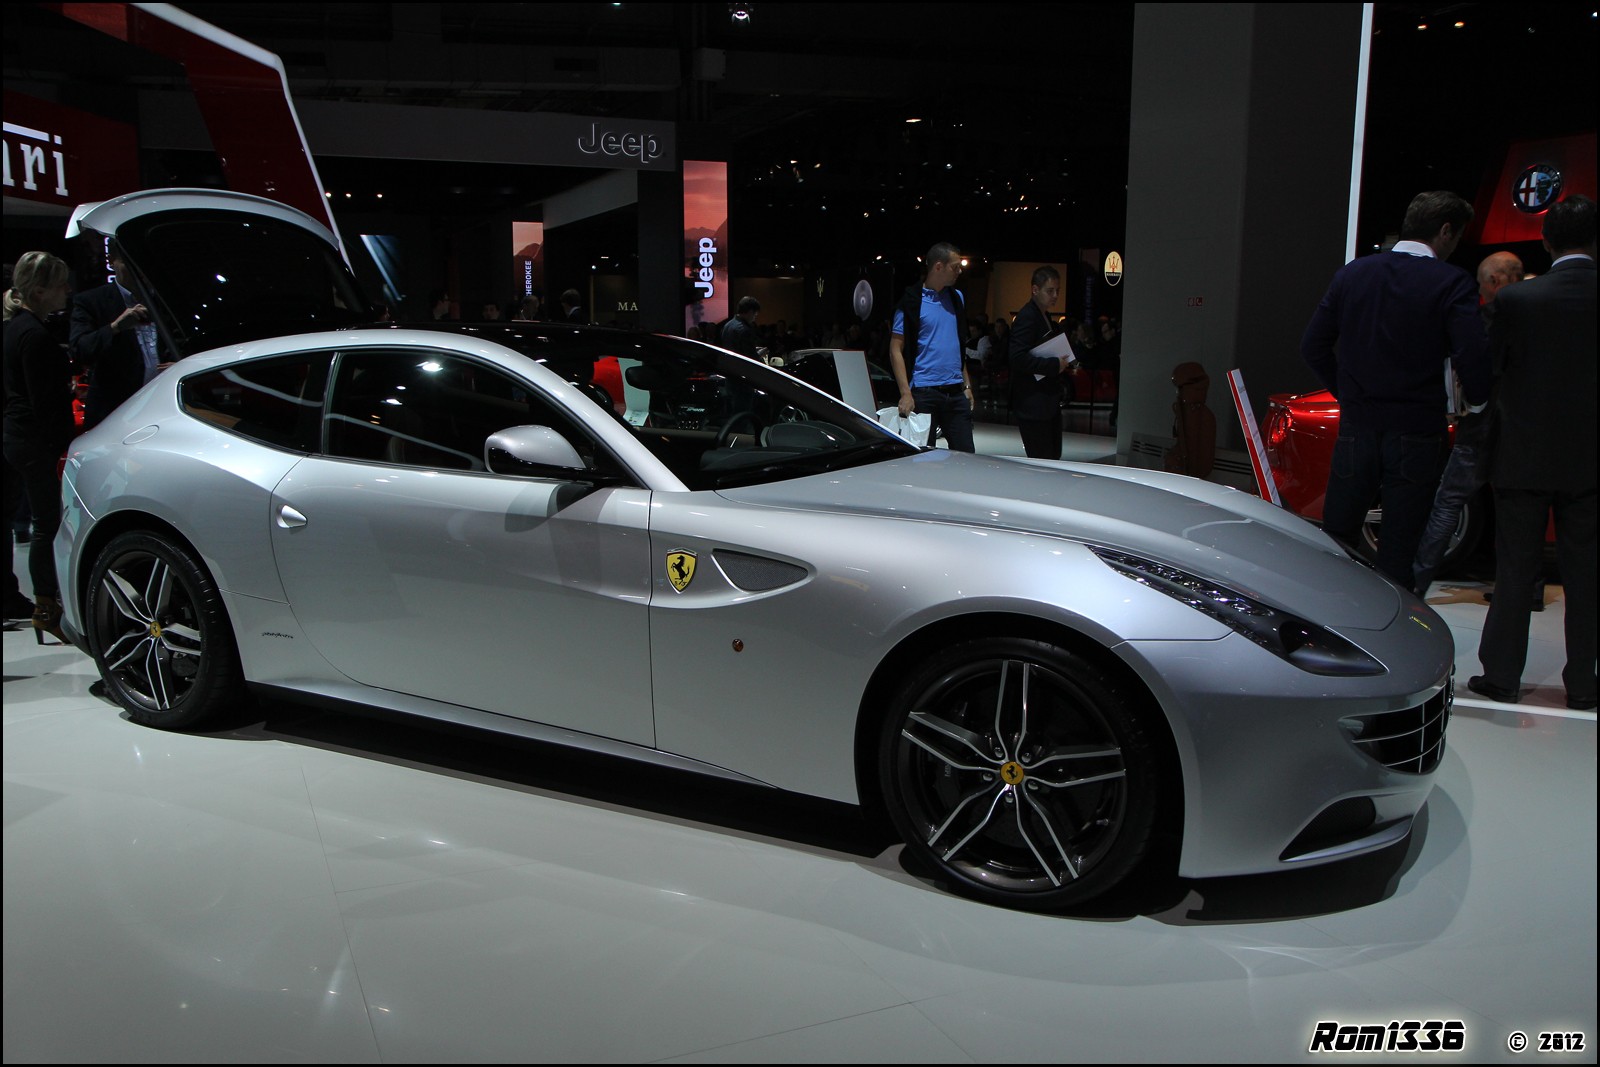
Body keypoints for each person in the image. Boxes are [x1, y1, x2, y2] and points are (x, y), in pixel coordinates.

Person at [1301, 190, 1490, 592]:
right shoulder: (1451, 281)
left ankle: (1328, 626)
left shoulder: (1353, 274)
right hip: (1416, 428)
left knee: (1337, 538)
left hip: (1359, 423)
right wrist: (1478, 401)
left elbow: (1312, 346)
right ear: (1444, 231)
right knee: (1399, 545)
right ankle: (1390, 639)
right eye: (1456, 238)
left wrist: (1346, 393)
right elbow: (1472, 353)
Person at [1470, 195, 1596, 710]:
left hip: (1522, 453)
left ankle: (1501, 676)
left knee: (1516, 569)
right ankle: (1585, 685)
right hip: (1590, 459)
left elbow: (1490, 371)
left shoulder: (1517, 301)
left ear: (1546, 241)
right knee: (1587, 573)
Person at [1412, 251, 1525, 594]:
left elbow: (1472, 370)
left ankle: (1416, 583)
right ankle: (1524, 586)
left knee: (1448, 502)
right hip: (1522, 430)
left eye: (1481, 283)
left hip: (1480, 426)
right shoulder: (1539, 318)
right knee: (1518, 511)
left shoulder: (1483, 319)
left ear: (1495, 281)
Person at [3, 251, 74, 643]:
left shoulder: (17, 328)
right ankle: (46, 606)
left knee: (28, 522)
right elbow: (43, 401)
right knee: (46, 525)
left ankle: (40, 603)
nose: (67, 290)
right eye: (61, 283)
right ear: (40, 289)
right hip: (33, 440)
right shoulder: (33, 335)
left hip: (16, 435)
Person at [69, 242, 165, 431]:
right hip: (115, 415)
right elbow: (80, 349)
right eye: (129, 262)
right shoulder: (91, 302)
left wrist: (179, 364)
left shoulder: (165, 300)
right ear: (111, 261)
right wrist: (115, 327)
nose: (138, 269)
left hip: (163, 409)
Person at [889, 242, 974, 452]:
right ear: (938, 267)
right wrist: (905, 393)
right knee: (923, 459)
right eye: (955, 267)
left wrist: (967, 385)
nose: (959, 271)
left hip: (955, 392)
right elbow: (895, 349)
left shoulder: (956, 299)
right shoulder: (910, 302)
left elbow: (957, 345)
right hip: (925, 393)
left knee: (967, 458)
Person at [1008, 266, 1077, 459]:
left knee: (1051, 458)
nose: (1055, 295)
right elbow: (1017, 358)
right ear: (1035, 289)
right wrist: (1054, 365)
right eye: (1050, 290)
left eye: (1058, 290)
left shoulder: (1043, 315)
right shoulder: (1028, 316)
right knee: (1043, 461)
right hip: (1033, 404)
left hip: (1045, 402)